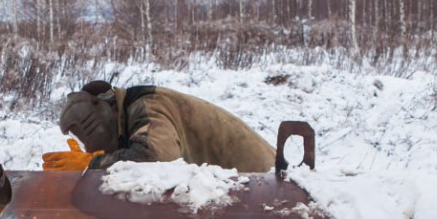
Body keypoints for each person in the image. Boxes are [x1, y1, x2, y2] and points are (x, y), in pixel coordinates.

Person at [42, 80, 277, 172]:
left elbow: (159, 159)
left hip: (264, 185)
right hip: (241, 188)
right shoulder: (130, 111)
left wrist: (93, 164)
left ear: (109, 111)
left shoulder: (146, 106)